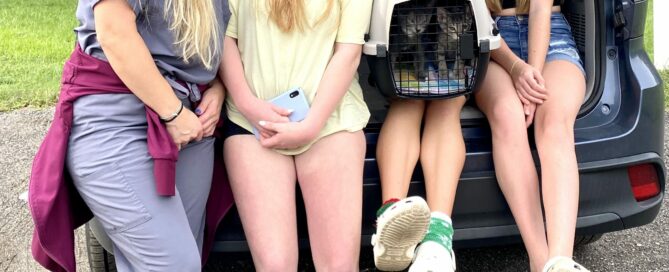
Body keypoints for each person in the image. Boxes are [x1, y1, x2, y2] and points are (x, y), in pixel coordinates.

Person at [29, 0, 230, 271]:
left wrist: (217, 89)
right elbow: (113, 32)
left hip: (191, 125)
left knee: (178, 256)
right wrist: (173, 113)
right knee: (174, 265)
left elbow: (204, 48)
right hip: (118, 122)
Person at [220, 0, 372, 270]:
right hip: (253, 123)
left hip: (329, 121)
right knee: (275, 266)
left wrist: (311, 125)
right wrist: (248, 104)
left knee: (339, 266)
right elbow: (223, 37)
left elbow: (348, 55)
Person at [475, 0, 589, 271]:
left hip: (551, 34)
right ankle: (539, 261)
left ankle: (560, 261)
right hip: (492, 43)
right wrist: (517, 68)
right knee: (507, 115)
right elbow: (477, 16)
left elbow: (539, 9)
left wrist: (532, 76)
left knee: (554, 125)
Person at [372, 38, 468, 272]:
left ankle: (395, 215)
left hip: (431, 52)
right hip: (411, 49)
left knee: (418, 101)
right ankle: (435, 238)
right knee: (424, 102)